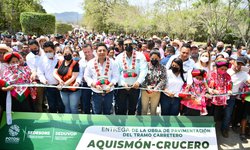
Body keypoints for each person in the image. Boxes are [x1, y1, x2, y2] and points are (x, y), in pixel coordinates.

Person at [115, 38, 148, 115]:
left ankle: (130, 125)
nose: (128, 46)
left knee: (132, 109)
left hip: (135, 87)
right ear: (123, 46)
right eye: (126, 45)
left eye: (130, 44)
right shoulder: (119, 58)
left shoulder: (140, 56)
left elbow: (144, 70)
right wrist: (123, 83)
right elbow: (117, 73)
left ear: (133, 45)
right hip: (123, 87)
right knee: (121, 109)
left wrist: (138, 82)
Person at [84, 43, 119, 114]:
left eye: (104, 50)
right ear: (96, 52)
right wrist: (94, 85)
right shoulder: (90, 63)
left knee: (108, 112)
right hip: (96, 92)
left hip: (109, 92)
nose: (102, 52)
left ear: (107, 52)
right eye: (100, 51)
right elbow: (86, 76)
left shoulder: (113, 63)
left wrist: (110, 85)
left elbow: (116, 76)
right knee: (96, 113)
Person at [208, 58, 232, 138]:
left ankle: (212, 131)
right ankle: (207, 130)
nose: (224, 71)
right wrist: (213, 90)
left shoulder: (227, 76)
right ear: (218, 68)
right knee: (209, 115)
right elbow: (208, 85)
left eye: (225, 69)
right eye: (222, 69)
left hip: (221, 100)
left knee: (216, 116)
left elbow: (229, 84)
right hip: (211, 99)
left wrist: (229, 90)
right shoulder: (212, 74)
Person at [227, 56, 250, 142]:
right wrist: (233, 73)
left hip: (236, 97)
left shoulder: (244, 74)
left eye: (241, 64)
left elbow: (248, 80)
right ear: (233, 62)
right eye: (238, 63)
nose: (239, 66)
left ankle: (232, 126)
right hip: (224, 95)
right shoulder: (227, 71)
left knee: (232, 113)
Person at [37, 41, 65, 113]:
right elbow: (40, 73)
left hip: (61, 86)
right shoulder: (42, 60)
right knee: (52, 105)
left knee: (61, 105)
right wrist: (43, 80)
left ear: (54, 50)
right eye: (46, 51)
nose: (48, 53)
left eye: (50, 51)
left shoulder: (60, 59)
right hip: (49, 86)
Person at [53, 45, 80, 114]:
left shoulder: (75, 64)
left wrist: (63, 85)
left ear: (72, 54)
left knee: (73, 108)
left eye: (69, 54)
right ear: (62, 54)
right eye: (65, 54)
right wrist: (60, 80)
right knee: (66, 108)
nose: (67, 55)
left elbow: (73, 77)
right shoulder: (59, 62)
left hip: (73, 90)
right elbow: (54, 73)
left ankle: (75, 124)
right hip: (63, 90)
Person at [141, 50, 167, 115]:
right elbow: (141, 77)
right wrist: (146, 86)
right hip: (145, 90)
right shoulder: (145, 66)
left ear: (159, 58)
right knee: (144, 109)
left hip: (156, 92)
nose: (154, 60)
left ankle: (153, 124)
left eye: (156, 58)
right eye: (152, 58)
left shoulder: (162, 67)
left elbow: (164, 79)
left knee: (153, 109)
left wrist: (157, 88)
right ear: (149, 58)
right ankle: (144, 124)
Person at [75, 44, 95, 114]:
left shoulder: (97, 59)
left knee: (95, 104)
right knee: (85, 103)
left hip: (97, 84)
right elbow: (80, 74)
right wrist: (77, 82)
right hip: (85, 85)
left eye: (88, 52)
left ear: (92, 50)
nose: (87, 54)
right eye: (85, 52)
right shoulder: (81, 62)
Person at [26, 39, 44, 112]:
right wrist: (33, 73)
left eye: (35, 48)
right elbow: (32, 69)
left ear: (38, 46)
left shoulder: (45, 52)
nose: (34, 50)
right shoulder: (29, 57)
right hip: (38, 81)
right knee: (38, 101)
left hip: (50, 80)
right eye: (31, 49)